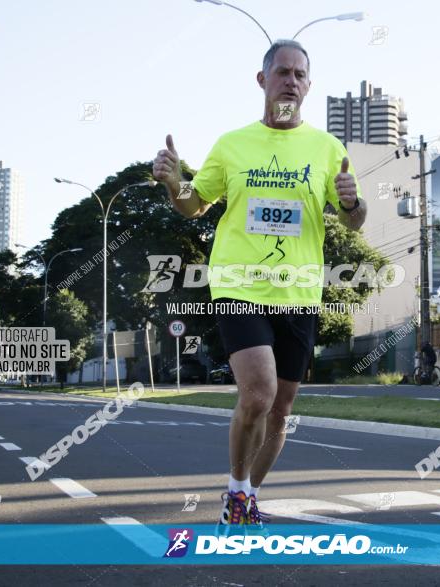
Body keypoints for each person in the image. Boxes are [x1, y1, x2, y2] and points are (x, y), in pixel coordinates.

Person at [152, 39, 366, 534]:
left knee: (282, 410)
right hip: (239, 286)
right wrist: (173, 181)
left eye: (300, 74)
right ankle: (234, 486)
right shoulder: (232, 144)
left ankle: (247, 496)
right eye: (283, 72)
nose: (291, 80)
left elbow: (354, 224)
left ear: (308, 86)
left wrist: (353, 205)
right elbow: (194, 203)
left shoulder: (329, 149)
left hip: (299, 292)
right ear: (262, 79)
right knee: (259, 392)